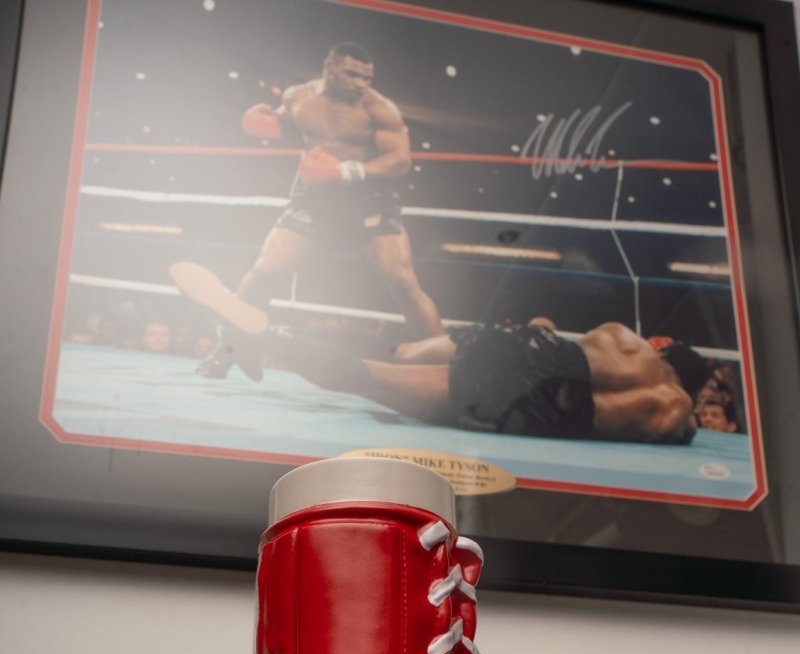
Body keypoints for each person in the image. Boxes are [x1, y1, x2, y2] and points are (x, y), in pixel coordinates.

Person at [201, 42, 442, 377]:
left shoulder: (379, 109)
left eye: (367, 77)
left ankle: (443, 363)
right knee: (264, 272)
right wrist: (268, 121)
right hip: (317, 199)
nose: (361, 83)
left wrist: (347, 170)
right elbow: (285, 120)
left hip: (368, 200)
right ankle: (227, 351)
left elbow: (400, 161)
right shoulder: (297, 97)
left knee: (402, 282)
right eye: (352, 74)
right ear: (329, 67)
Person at [260, 318, 709, 445]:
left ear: (662, 350)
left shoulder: (625, 338)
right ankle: (276, 339)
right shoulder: (676, 415)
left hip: (529, 353)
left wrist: (537, 329)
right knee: (370, 381)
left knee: (396, 354)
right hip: (543, 412)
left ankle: (277, 333)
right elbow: (689, 430)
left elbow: (551, 338)